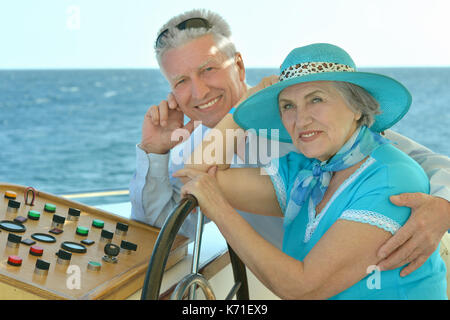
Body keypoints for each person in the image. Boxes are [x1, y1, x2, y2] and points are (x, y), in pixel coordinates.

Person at [129, 9, 450, 278]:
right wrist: (155, 152)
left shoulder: (297, 117)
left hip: (407, 270)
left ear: (238, 66)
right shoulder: (190, 147)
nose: (198, 92)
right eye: (181, 81)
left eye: (208, 70)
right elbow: (171, 231)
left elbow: (426, 160)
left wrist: (443, 208)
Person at [174, 43, 447, 299]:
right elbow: (194, 175)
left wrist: (219, 210)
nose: (301, 119)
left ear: (355, 106)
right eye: (288, 106)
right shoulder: (306, 172)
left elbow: (303, 289)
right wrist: (241, 105)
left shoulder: (391, 177)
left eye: (316, 99)